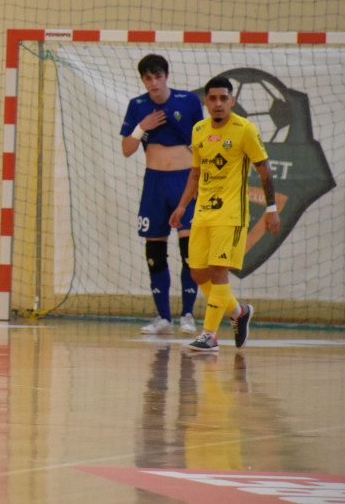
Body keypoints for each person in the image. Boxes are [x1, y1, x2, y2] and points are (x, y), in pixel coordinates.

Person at [169, 76, 280, 352]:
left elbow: (264, 170)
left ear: (232, 100)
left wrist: (271, 208)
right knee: (197, 273)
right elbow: (196, 173)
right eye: (213, 98)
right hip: (203, 213)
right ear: (206, 101)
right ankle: (238, 311)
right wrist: (183, 205)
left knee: (219, 272)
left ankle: (209, 335)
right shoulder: (199, 130)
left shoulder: (245, 130)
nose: (218, 103)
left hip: (231, 215)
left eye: (223, 98)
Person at [120, 54, 203, 335]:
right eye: (147, 78)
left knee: (189, 251)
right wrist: (143, 126)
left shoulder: (188, 101)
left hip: (184, 182)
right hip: (154, 183)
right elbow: (127, 149)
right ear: (142, 79)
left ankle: (188, 315)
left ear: (166, 75)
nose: (153, 83)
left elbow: (201, 143)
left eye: (158, 76)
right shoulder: (137, 106)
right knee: (155, 250)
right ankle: (163, 318)